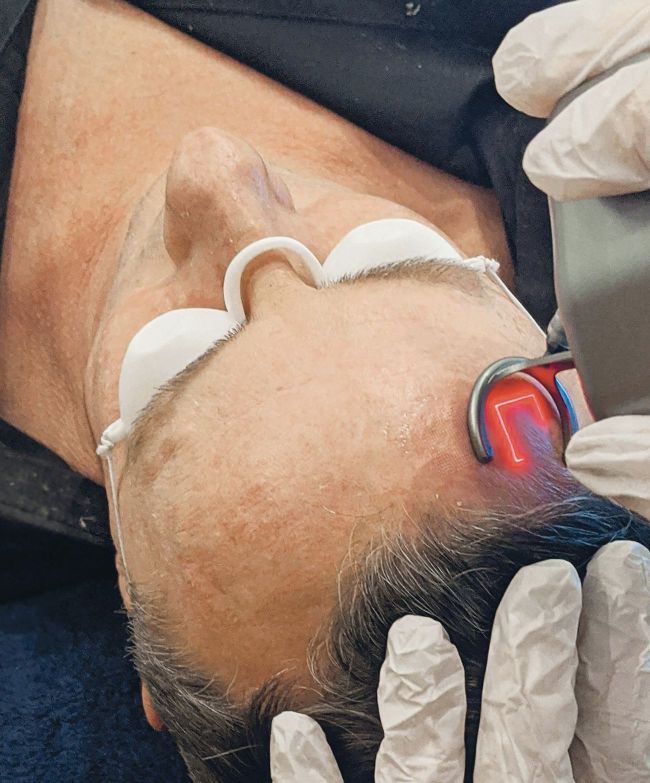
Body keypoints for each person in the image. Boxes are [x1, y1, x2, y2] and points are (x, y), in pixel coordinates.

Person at [1, 1, 648, 782]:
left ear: (131, 588)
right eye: (386, 254)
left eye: (174, 356)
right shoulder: (590, 95)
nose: (210, 166)